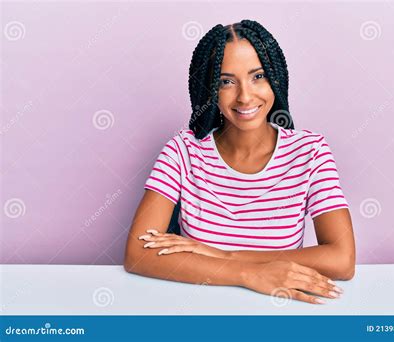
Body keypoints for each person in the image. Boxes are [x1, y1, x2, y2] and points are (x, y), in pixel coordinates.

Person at [124, 19, 355, 305]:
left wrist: (226, 256)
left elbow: (342, 260)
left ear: (276, 78)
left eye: (258, 76)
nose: (245, 96)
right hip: (197, 310)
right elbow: (137, 253)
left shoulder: (310, 152)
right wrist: (247, 274)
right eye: (226, 82)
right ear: (209, 90)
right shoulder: (183, 151)